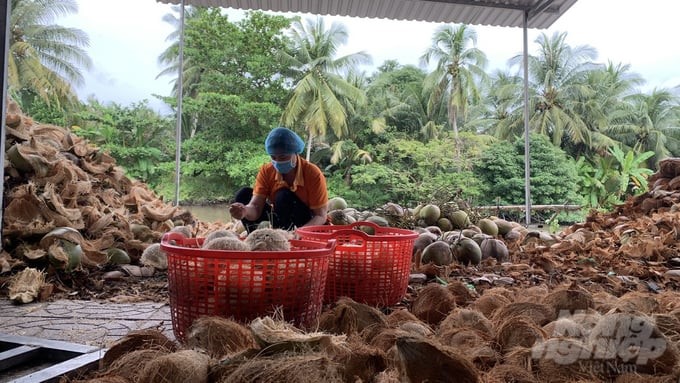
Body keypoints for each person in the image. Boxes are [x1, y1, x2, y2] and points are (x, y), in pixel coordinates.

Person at [229, 127, 329, 232]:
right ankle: (255, 237)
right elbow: (255, 207)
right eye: (273, 157)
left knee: (283, 195)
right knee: (244, 194)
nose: (278, 162)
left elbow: (321, 216)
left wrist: (300, 232)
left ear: (295, 153)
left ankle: (287, 235)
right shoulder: (267, 171)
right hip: (278, 216)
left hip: (306, 221)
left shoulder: (313, 173)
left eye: (283, 157)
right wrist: (244, 211)